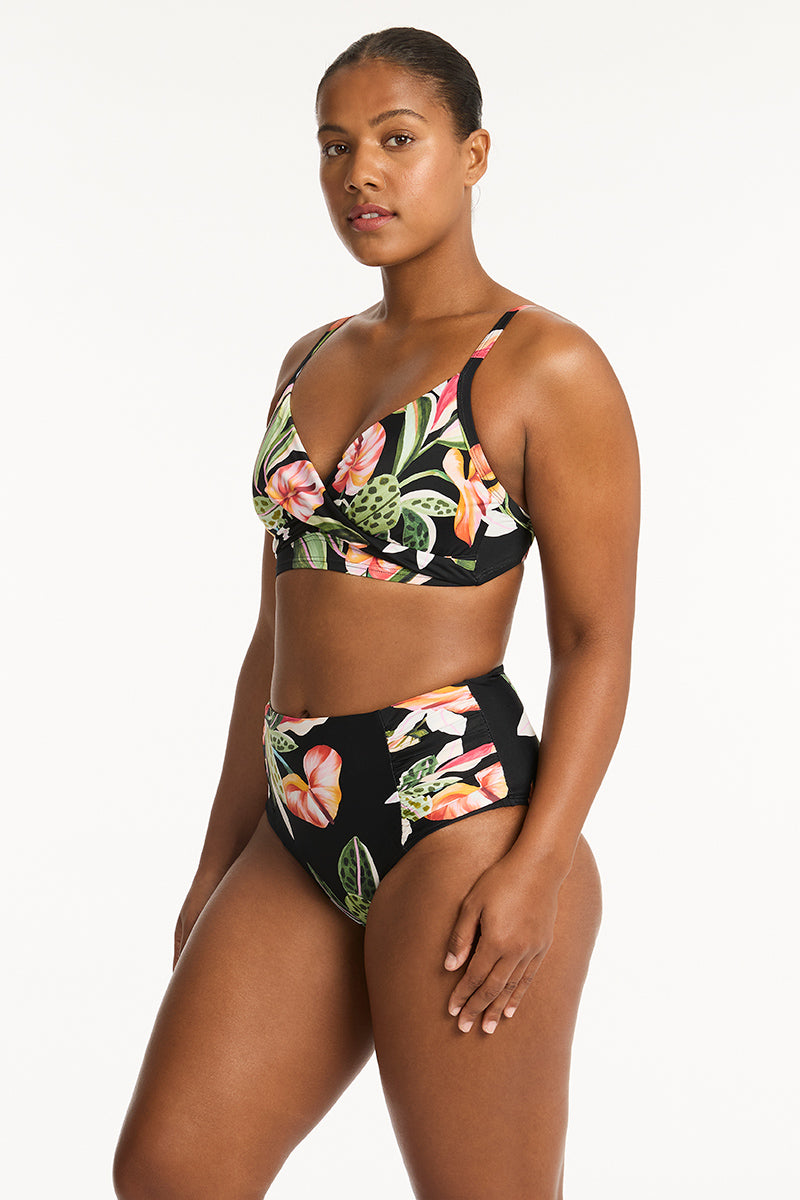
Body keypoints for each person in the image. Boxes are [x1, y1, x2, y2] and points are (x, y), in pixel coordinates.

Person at [113, 25, 640, 1200]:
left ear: (472, 154)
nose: (360, 173)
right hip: (297, 814)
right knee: (170, 1171)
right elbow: (273, 630)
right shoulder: (308, 357)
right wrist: (215, 859)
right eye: (334, 146)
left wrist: (537, 868)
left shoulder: (544, 366)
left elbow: (594, 641)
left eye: (397, 140)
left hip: (457, 813)